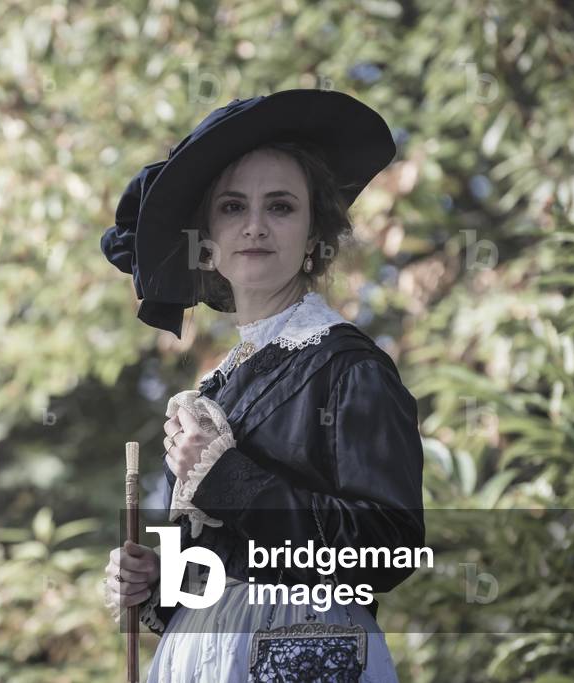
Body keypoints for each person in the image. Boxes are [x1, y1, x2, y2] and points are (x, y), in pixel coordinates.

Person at [100, 90, 425, 682]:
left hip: (309, 657)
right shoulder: (214, 392)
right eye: (232, 207)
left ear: (314, 234)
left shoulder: (351, 369)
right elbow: (210, 573)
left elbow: (390, 550)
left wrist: (232, 480)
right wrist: (154, 581)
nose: (254, 226)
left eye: (280, 206)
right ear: (206, 242)